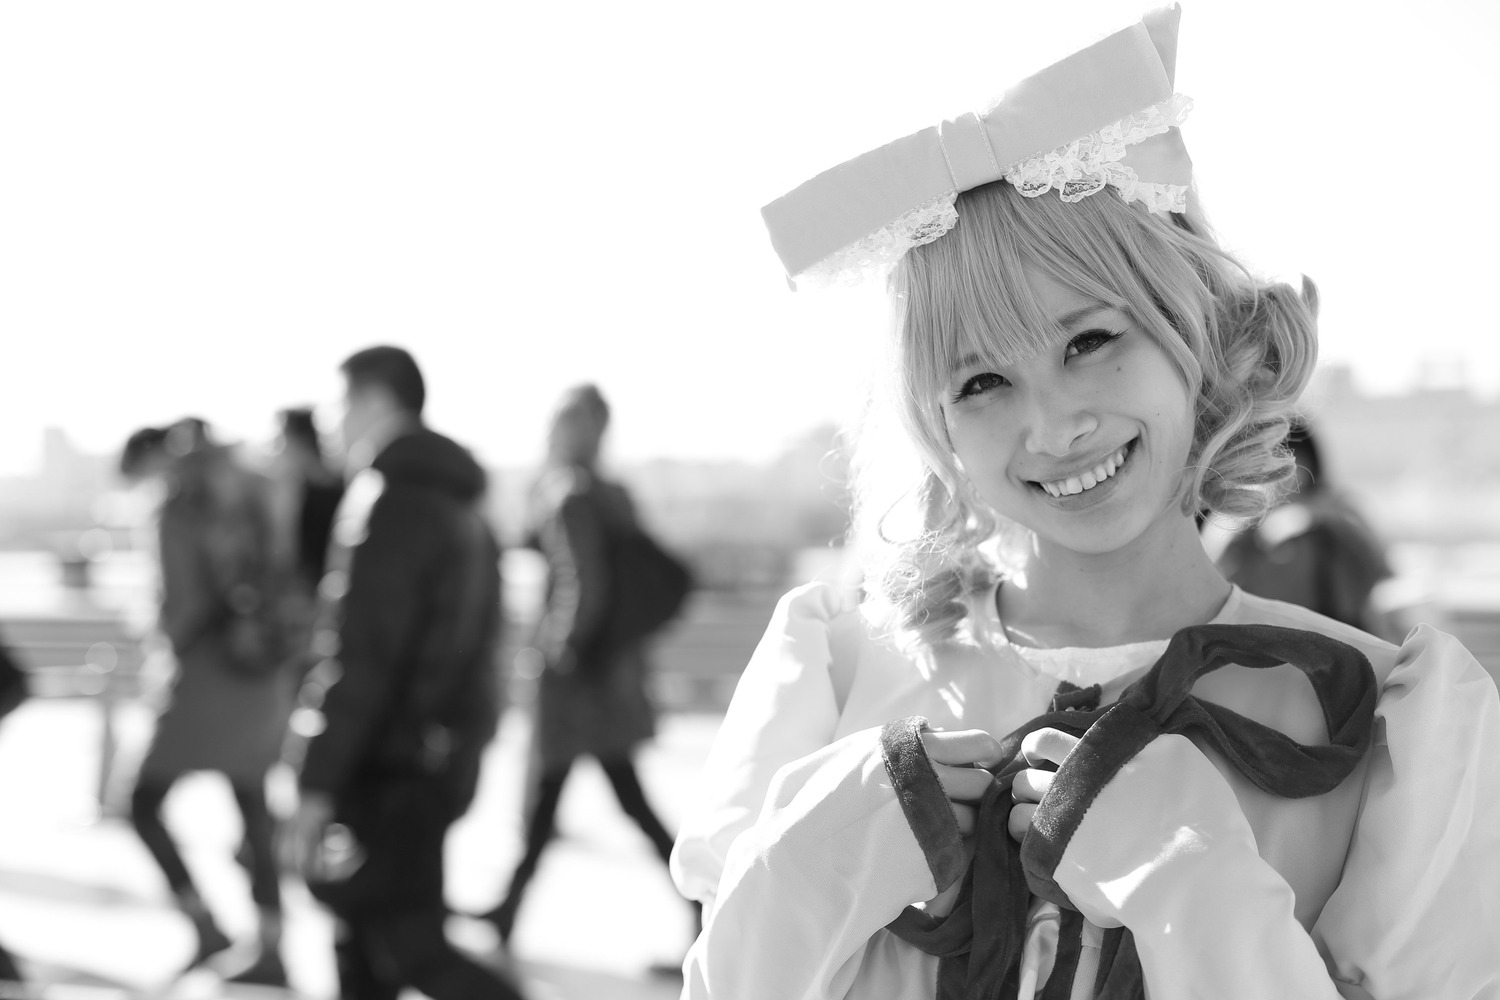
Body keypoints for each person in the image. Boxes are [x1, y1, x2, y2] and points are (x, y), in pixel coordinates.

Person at [670, 8, 1500, 999]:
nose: (1055, 425)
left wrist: (1195, 889)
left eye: (1092, 340)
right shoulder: (838, 673)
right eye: (981, 383)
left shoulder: (1381, 725)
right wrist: (797, 881)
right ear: (935, 431)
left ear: (1191, 334)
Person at [282, 346, 525, 1000]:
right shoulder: (458, 501)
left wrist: (314, 783)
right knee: (365, 948)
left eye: (338, 405)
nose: (329, 425)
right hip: (429, 759)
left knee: (407, 949)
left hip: (387, 770)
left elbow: (358, 657)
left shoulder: (388, 500)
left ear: (375, 401)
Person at [475, 384, 691, 951]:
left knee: (608, 796)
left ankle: (699, 900)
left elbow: (581, 581)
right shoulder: (611, 493)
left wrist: (559, 649)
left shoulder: (568, 494)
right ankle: (508, 907)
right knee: (569, 795)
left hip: (580, 678)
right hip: (611, 673)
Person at [120, 418, 296, 986]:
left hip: (205, 676)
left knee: (140, 801)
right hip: (262, 671)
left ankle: (203, 923)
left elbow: (183, 605)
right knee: (252, 803)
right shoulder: (254, 487)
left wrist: (165, 642)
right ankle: (271, 944)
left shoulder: (180, 505)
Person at [1215, 420, 1395, 635]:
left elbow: (1380, 567)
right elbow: (1217, 579)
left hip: (1338, 633)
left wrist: (1317, 518)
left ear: (1311, 463)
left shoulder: (1337, 507)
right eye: (1271, 459)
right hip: (1266, 638)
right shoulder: (1240, 512)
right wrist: (1255, 531)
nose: (1287, 474)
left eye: (1295, 460)